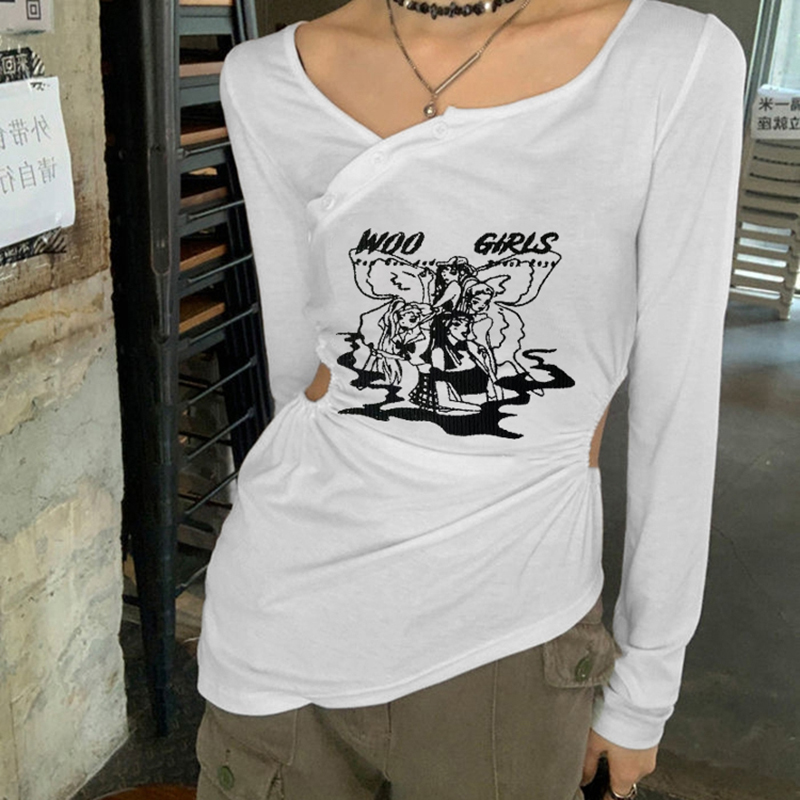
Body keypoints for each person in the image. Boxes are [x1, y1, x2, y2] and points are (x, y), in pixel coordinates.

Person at [195, 0, 746, 798]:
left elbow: (678, 404)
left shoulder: (672, 61)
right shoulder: (266, 77)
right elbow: (301, 376)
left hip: (507, 633)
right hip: (277, 619)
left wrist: (644, 690)